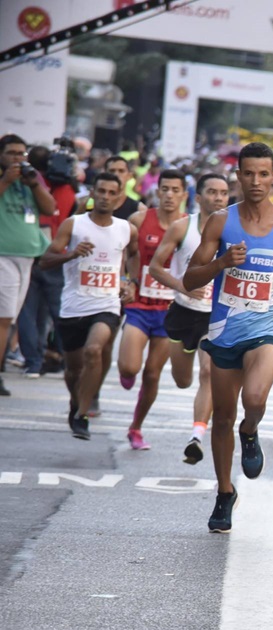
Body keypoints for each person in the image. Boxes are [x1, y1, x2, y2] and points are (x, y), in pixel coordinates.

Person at [181, 142, 273, 533]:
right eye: (248, 173)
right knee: (222, 418)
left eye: (263, 173)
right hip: (224, 330)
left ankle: (251, 430)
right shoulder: (221, 222)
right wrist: (222, 263)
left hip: (268, 328)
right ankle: (225, 493)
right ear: (238, 176)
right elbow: (191, 279)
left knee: (254, 399)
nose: (256, 181)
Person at [40, 172, 137, 438]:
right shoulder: (74, 225)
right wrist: (71, 254)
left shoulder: (126, 229)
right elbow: (45, 260)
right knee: (73, 371)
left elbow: (135, 255)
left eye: (111, 193)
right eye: (101, 191)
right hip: (73, 306)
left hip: (107, 305)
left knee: (95, 351)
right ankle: (76, 402)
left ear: (119, 198)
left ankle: (82, 414)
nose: (105, 197)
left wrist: (130, 282)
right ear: (92, 193)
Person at [150, 172, 229, 464]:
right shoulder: (182, 227)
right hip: (183, 313)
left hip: (216, 313)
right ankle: (196, 426)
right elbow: (156, 268)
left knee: (208, 373)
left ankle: (197, 435)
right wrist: (183, 285)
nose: (218, 198)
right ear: (198, 197)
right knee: (182, 380)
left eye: (223, 193)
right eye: (212, 192)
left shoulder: (233, 229)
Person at [120, 169, 187, 450]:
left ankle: (136, 427)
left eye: (175, 190)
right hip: (139, 304)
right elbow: (122, 250)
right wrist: (126, 279)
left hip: (169, 310)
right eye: (165, 189)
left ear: (184, 195)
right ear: (157, 191)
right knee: (129, 366)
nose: (170, 195)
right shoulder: (138, 220)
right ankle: (127, 369)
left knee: (152, 374)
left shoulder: (189, 226)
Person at [0, 134, 56, 396]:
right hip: (4, 255)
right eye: (12, 153)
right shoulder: (5, 179)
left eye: (22, 153)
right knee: (5, 318)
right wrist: (5, 181)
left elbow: (50, 207)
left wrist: (33, 184)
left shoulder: (30, 179)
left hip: (28, 258)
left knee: (9, 319)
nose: (18, 158)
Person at [17, 142, 77, 379]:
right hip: (57, 256)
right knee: (59, 311)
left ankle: (33, 361)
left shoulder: (28, 184)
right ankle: (65, 355)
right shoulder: (68, 190)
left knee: (29, 313)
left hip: (35, 253)